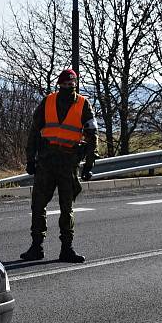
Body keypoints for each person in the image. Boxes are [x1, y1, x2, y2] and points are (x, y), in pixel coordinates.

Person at [20, 68, 98, 263]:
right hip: (46, 162)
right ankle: (36, 247)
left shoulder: (83, 104)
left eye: (71, 85)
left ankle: (67, 249)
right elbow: (34, 132)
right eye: (65, 85)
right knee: (38, 205)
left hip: (68, 163)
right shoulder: (48, 101)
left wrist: (89, 164)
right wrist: (30, 158)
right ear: (59, 85)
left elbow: (92, 136)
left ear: (76, 84)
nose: (68, 88)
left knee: (67, 207)